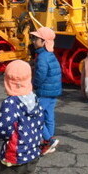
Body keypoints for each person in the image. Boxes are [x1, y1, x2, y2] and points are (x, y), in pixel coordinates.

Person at [0, 60, 44, 174]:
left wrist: (2, 136)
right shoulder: (34, 98)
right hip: (32, 150)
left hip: (16, 153)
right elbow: (40, 121)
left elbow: (4, 130)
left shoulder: (10, 103)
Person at [31, 27, 61, 155]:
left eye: (35, 39)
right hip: (53, 91)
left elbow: (40, 75)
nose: (33, 41)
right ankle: (48, 142)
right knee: (49, 117)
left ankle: (48, 140)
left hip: (43, 92)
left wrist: (34, 85)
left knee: (36, 117)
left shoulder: (42, 57)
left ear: (43, 41)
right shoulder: (50, 55)